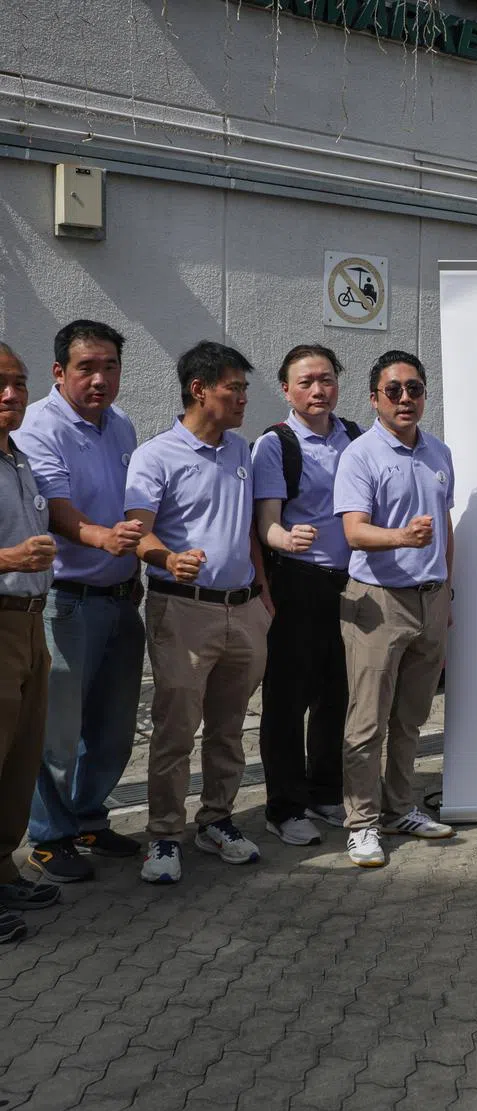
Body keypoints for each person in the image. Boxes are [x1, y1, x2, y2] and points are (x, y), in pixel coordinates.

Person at [124, 341, 272, 885]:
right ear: (199, 389)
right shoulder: (155, 455)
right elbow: (139, 529)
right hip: (182, 611)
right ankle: (164, 835)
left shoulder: (240, 453)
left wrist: (263, 600)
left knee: (230, 728)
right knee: (176, 729)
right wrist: (167, 558)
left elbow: (249, 531)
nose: (242, 399)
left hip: (243, 610)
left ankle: (218, 820)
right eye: (234, 388)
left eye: (244, 389)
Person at [15, 321, 145, 885]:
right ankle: (48, 837)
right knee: (58, 730)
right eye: (87, 367)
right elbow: (55, 506)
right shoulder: (40, 426)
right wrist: (102, 538)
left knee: (113, 728)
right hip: (67, 601)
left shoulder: (121, 425)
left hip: (122, 597)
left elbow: (140, 500)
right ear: (59, 372)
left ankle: (89, 819)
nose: (100, 379)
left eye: (109, 366)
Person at [333, 350, 455, 869]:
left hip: (431, 599)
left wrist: (448, 586)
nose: (406, 398)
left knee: (412, 717)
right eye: (394, 390)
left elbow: (447, 528)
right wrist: (401, 537)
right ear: (375, 398)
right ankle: (361, 823)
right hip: (378, 602)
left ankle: (400, 807)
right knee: (367, 722)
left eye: (415, 389)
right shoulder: (360, 455)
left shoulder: (439, 452)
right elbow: (353, 530)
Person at [252, 345, 361, 846]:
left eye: (326, 379)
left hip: (353, 583)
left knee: (338, 691)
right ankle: (284, 806)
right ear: (286, 390)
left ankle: (324, 791)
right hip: (298, 582)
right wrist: (285, 539)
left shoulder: (356, 438)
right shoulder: (275, 445)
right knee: (287, 697)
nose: (318, 391)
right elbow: (267, 523)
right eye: (306, 382)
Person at [0, 343, 61, 942]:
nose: (11, 394)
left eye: (18, 384)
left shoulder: (19, 460)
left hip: (30, 622)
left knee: (20, 759)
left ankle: (2, 869)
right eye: (0, 383)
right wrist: (9, 558)